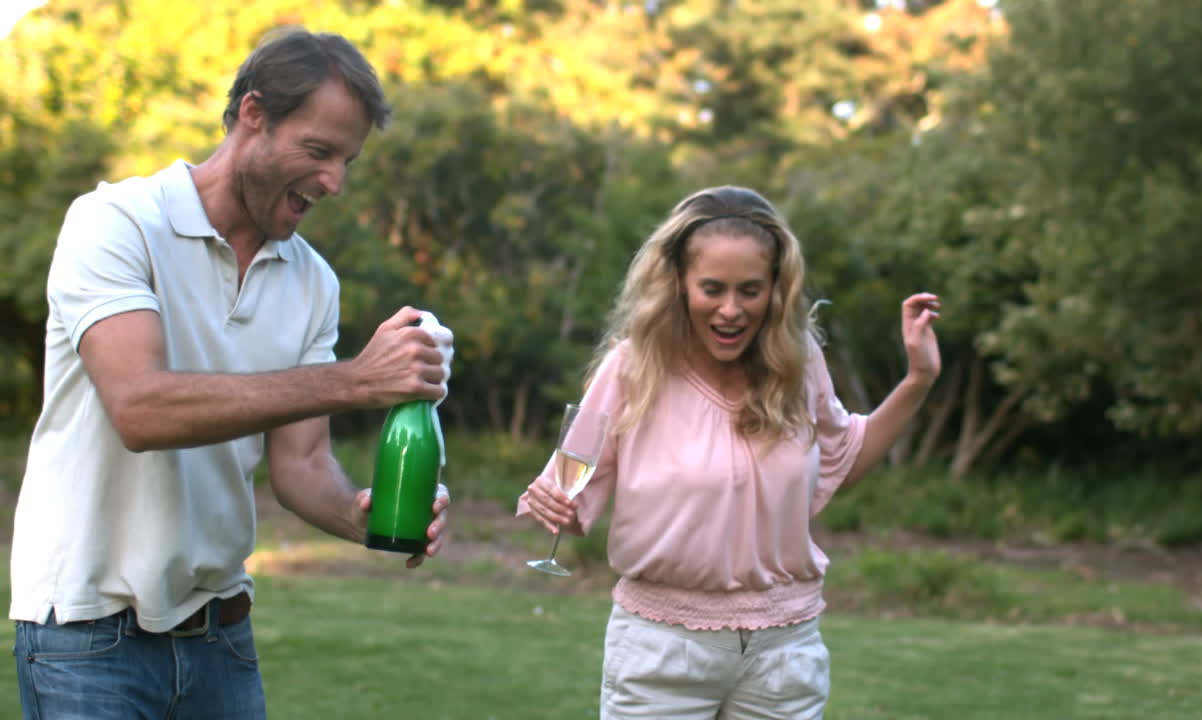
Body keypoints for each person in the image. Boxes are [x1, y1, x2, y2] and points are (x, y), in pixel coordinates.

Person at [9, 28, 454, 719]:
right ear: (254, 115)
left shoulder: (312, 282)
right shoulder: (115, 224)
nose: (334, 182)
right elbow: (140, 410)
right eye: (318, 151)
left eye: (346, 160)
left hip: (223, 636)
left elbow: (301, 466)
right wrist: (357, 381)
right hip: (86, 634)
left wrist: (371, 518)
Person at [519, 185, 941, 719]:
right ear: (678, 284)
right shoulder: (633, 367)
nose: (731, 309)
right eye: (712, 288)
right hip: (662, 652)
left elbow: (843, 460)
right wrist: (550, 502)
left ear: (775, 290)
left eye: (750, 290)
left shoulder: (799, 361)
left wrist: (919, 380)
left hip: (784, 655)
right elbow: (567, 492)